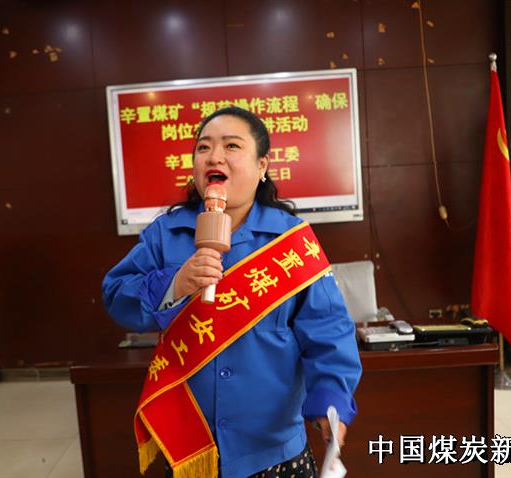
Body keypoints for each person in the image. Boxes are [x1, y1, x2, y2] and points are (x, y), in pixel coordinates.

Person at [102, 106, 362, 478]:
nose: (214, 156)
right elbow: (116, 295)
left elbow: (328, 332)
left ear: (262, 165)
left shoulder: (292, 240)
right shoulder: (165, 234)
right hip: (190, 447)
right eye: (203, 147)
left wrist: (330, 400)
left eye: (232, 146)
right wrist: (175, 283)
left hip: (274, 449)